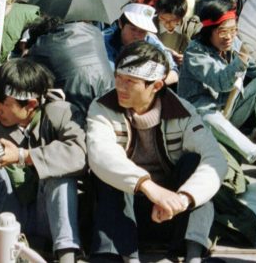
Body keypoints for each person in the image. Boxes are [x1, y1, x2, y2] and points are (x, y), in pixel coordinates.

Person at [87, 41, 227, 262]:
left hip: (169, 213)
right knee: (110, 171)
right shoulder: (102, 106)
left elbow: (215, 159)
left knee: (195, 161)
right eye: (118, 78)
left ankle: (192, 254)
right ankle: (121, 256)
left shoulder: (183, 112)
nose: (120, 87)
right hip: (123, 213)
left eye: (131, 82)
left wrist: (183, 199)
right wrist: (148, 186)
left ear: (157, 86)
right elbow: (100, 154)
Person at [0, 59, 86, 263]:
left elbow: (79, 154)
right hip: (8, 212)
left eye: (4, 104)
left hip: (47, 213)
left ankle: (67, 255)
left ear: (31, 105)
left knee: (61, 177)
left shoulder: (62, 112)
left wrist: (23, 156)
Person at [178, 0, 256, 170]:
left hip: (228, 111)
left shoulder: (236, 43)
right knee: (206, 115)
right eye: (223, 31)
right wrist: (242, 58)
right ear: (209, 30)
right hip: (202, 118)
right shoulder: (195, 52)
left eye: (234, 31)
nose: (230, 37)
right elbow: (221, 82)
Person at [103, 3, 178, 85]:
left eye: (142, 31)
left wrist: (154, 86)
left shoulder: (151, 41)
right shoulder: (103, 41)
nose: (137, 35)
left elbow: (173, 71)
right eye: (133, 29)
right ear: (121, 24)